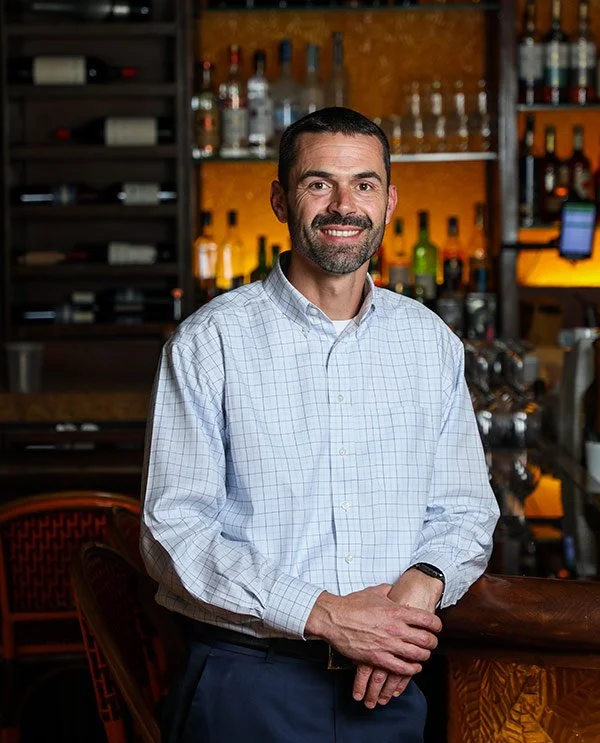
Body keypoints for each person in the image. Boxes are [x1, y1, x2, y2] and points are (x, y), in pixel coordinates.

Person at [140, 106, 500, 743]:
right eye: (318, 184)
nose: (344, 205)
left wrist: (423, 586)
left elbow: (466, 511)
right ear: (280, 199)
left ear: (389, 201)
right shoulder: (208, 344)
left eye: (363, 184)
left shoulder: (430, 343)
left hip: (390, 685)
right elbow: (173, 531)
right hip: (248, 682)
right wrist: (326, 616)